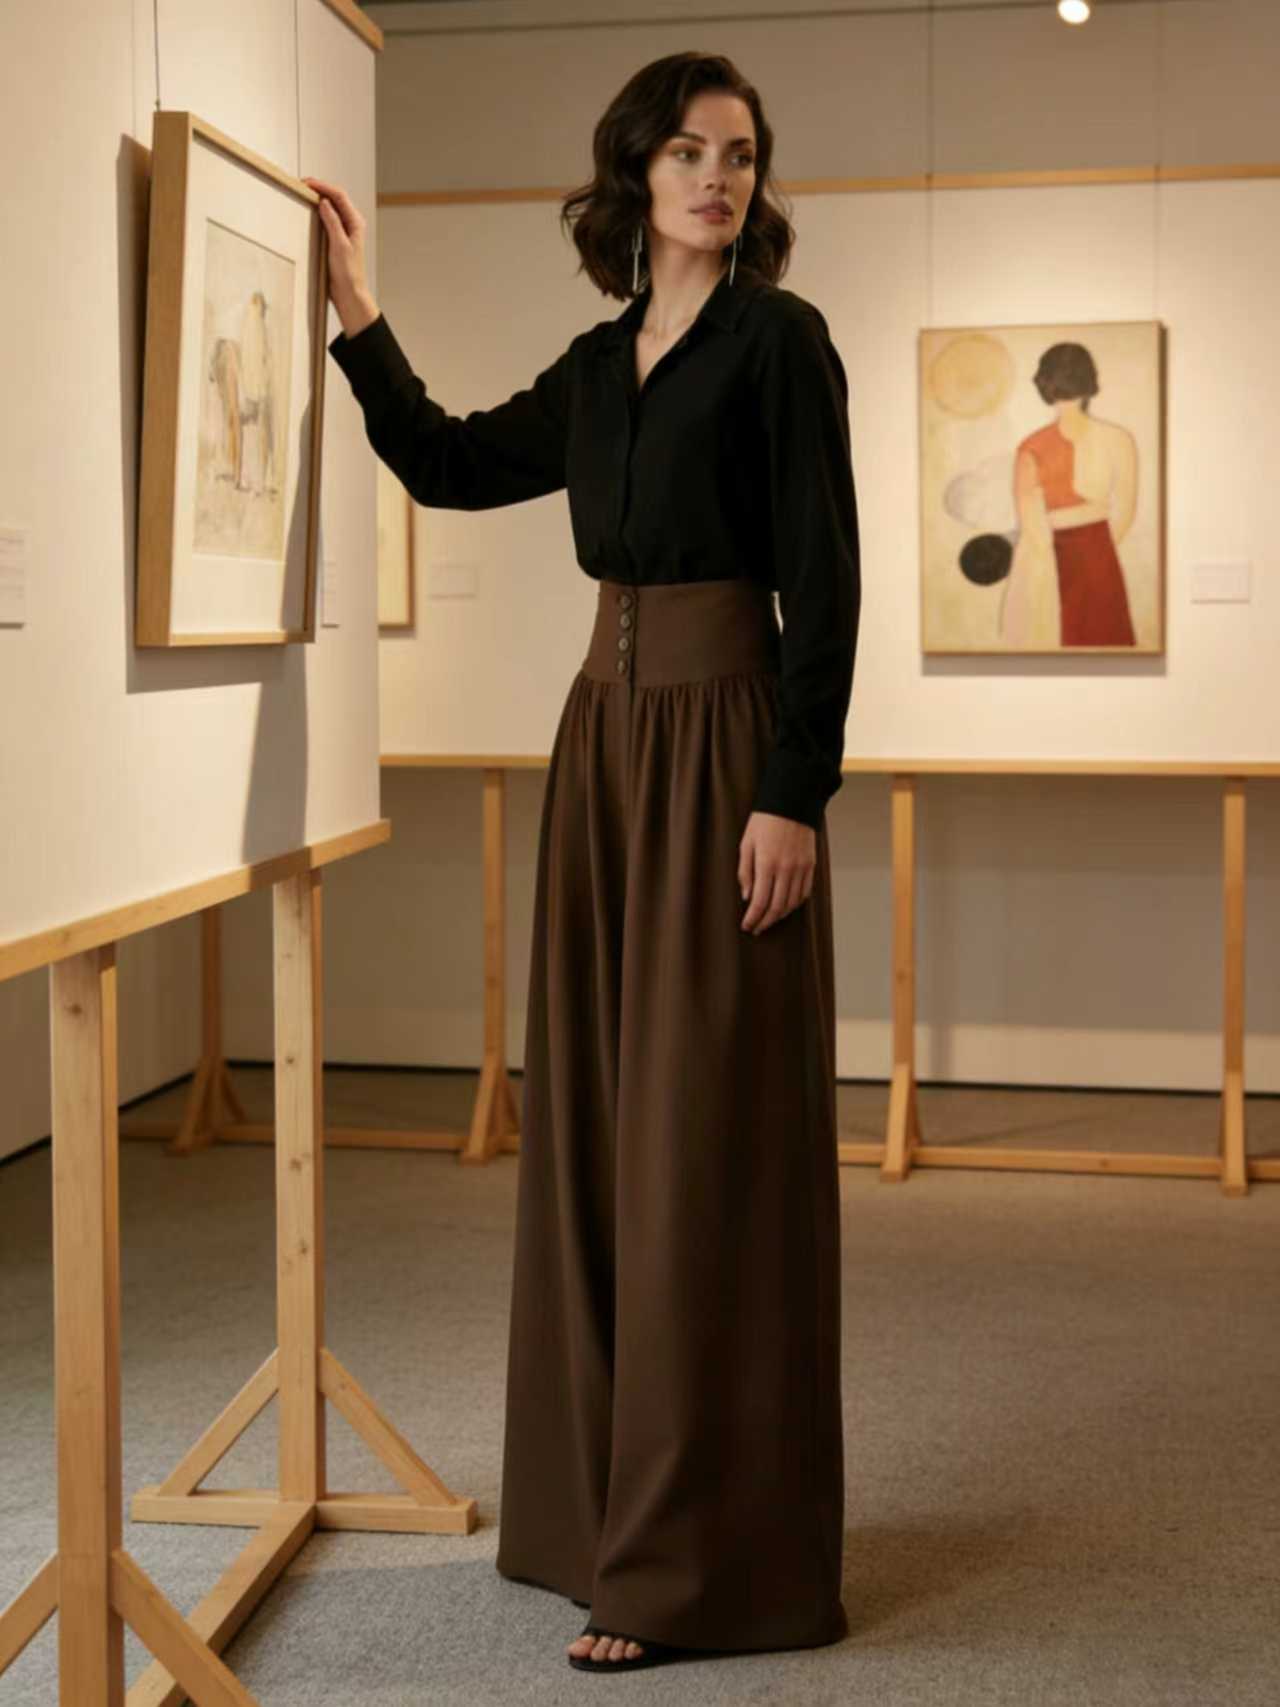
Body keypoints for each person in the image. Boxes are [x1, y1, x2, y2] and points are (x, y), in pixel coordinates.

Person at [307, 47, 861, 1677]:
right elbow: (450, 461)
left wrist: (793, 794)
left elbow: (826, 582)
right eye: (688, 152)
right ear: (637, 175)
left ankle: (698, 1566)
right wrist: (354, 313)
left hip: (723, 749)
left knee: (702, 1146)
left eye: (739, 153)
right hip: (604, 751)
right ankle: (589, 1520)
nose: (717, 177)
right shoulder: (603, 363)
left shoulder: (780, 343)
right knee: (602, 1136)